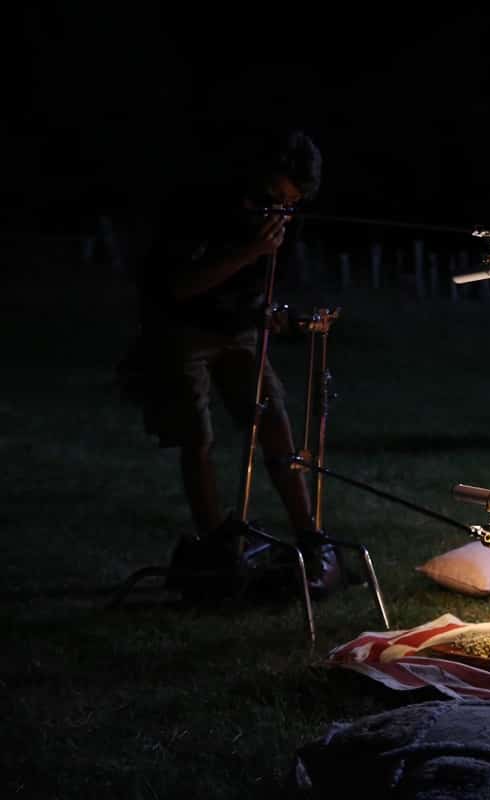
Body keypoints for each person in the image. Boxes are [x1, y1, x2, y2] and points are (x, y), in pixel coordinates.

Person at [126, 129, 345, 598]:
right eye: (277, 197)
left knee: (274, 421)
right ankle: (217, 546)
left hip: (241, 329)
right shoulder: (202, 204)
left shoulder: (283, 217)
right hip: (181, 327)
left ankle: (311, 537)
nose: (282, 209)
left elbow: (268, 281)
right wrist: (249, 251)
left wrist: (275, 312)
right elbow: (180, 285)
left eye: (292, 203)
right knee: (196, 436)